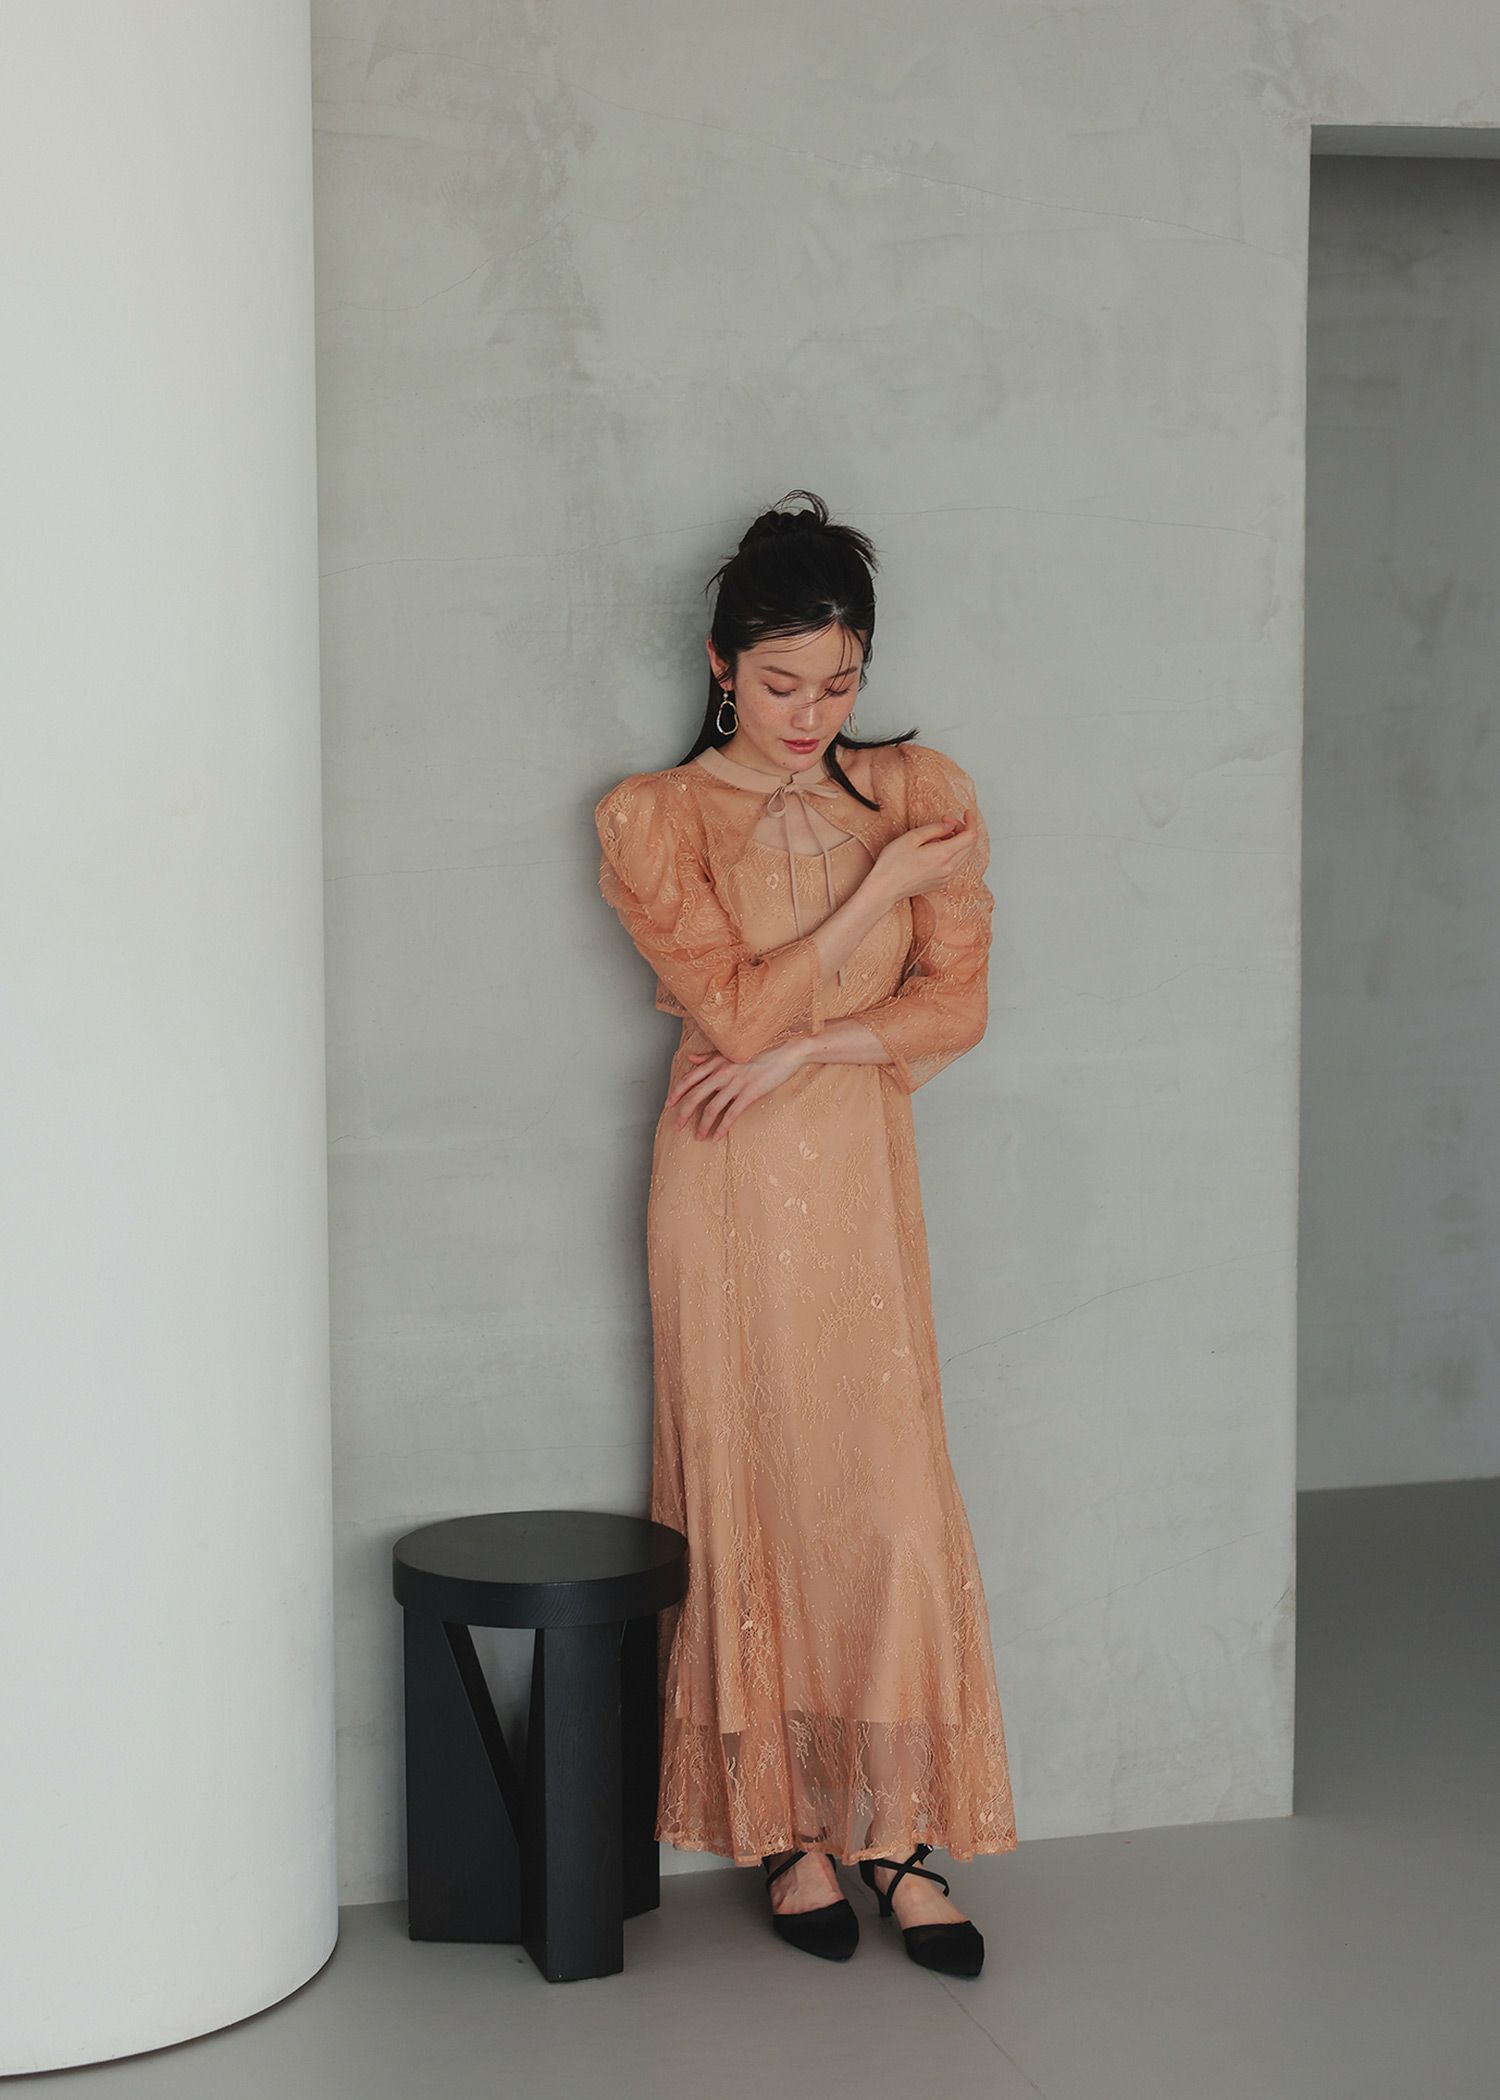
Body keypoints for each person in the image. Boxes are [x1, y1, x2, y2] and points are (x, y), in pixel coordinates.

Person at [593, 490, 1018, 1977]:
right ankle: (788, 1829)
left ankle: (896, 1829)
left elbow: (957, 1007)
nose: (811, 714)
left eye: (839, 683)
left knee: (888, 1497)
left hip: (852, 1170)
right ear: (722, 665)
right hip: (722, 1187)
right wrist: (873, 898)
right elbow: (731, 1009)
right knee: (752, 1488)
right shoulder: (651, 819)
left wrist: (813, 1052)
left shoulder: (922, 791)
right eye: (782, 684)